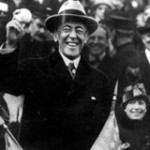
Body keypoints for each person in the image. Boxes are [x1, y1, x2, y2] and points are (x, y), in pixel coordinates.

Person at [0, 0, 111, 150]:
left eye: (79, 30)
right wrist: (10, 44)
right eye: (66, 29)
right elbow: (6, 82)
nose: (73, 36)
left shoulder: (100, 80)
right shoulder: (33, 68)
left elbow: (101, 133)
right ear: (56, 36)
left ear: (86, 37)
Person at [115, 83, 150, 150]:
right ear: (125, 109)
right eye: (132, 103)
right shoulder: (114, 130)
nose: (136, 107)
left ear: (146, 109)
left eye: (140, 103)